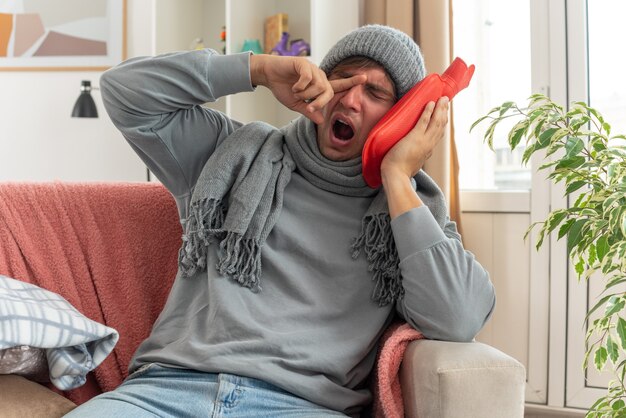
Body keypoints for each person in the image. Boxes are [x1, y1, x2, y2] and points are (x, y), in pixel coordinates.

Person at [67, 25, 495, 417]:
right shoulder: (230, 154)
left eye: (376, 93)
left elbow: (457, 318)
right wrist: (258, 69)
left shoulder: (407, 211)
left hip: (302, 405)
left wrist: (399, 180)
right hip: (166, 392)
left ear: (402, 117)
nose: (349, 98)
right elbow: (124, 92)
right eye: (342, 79)